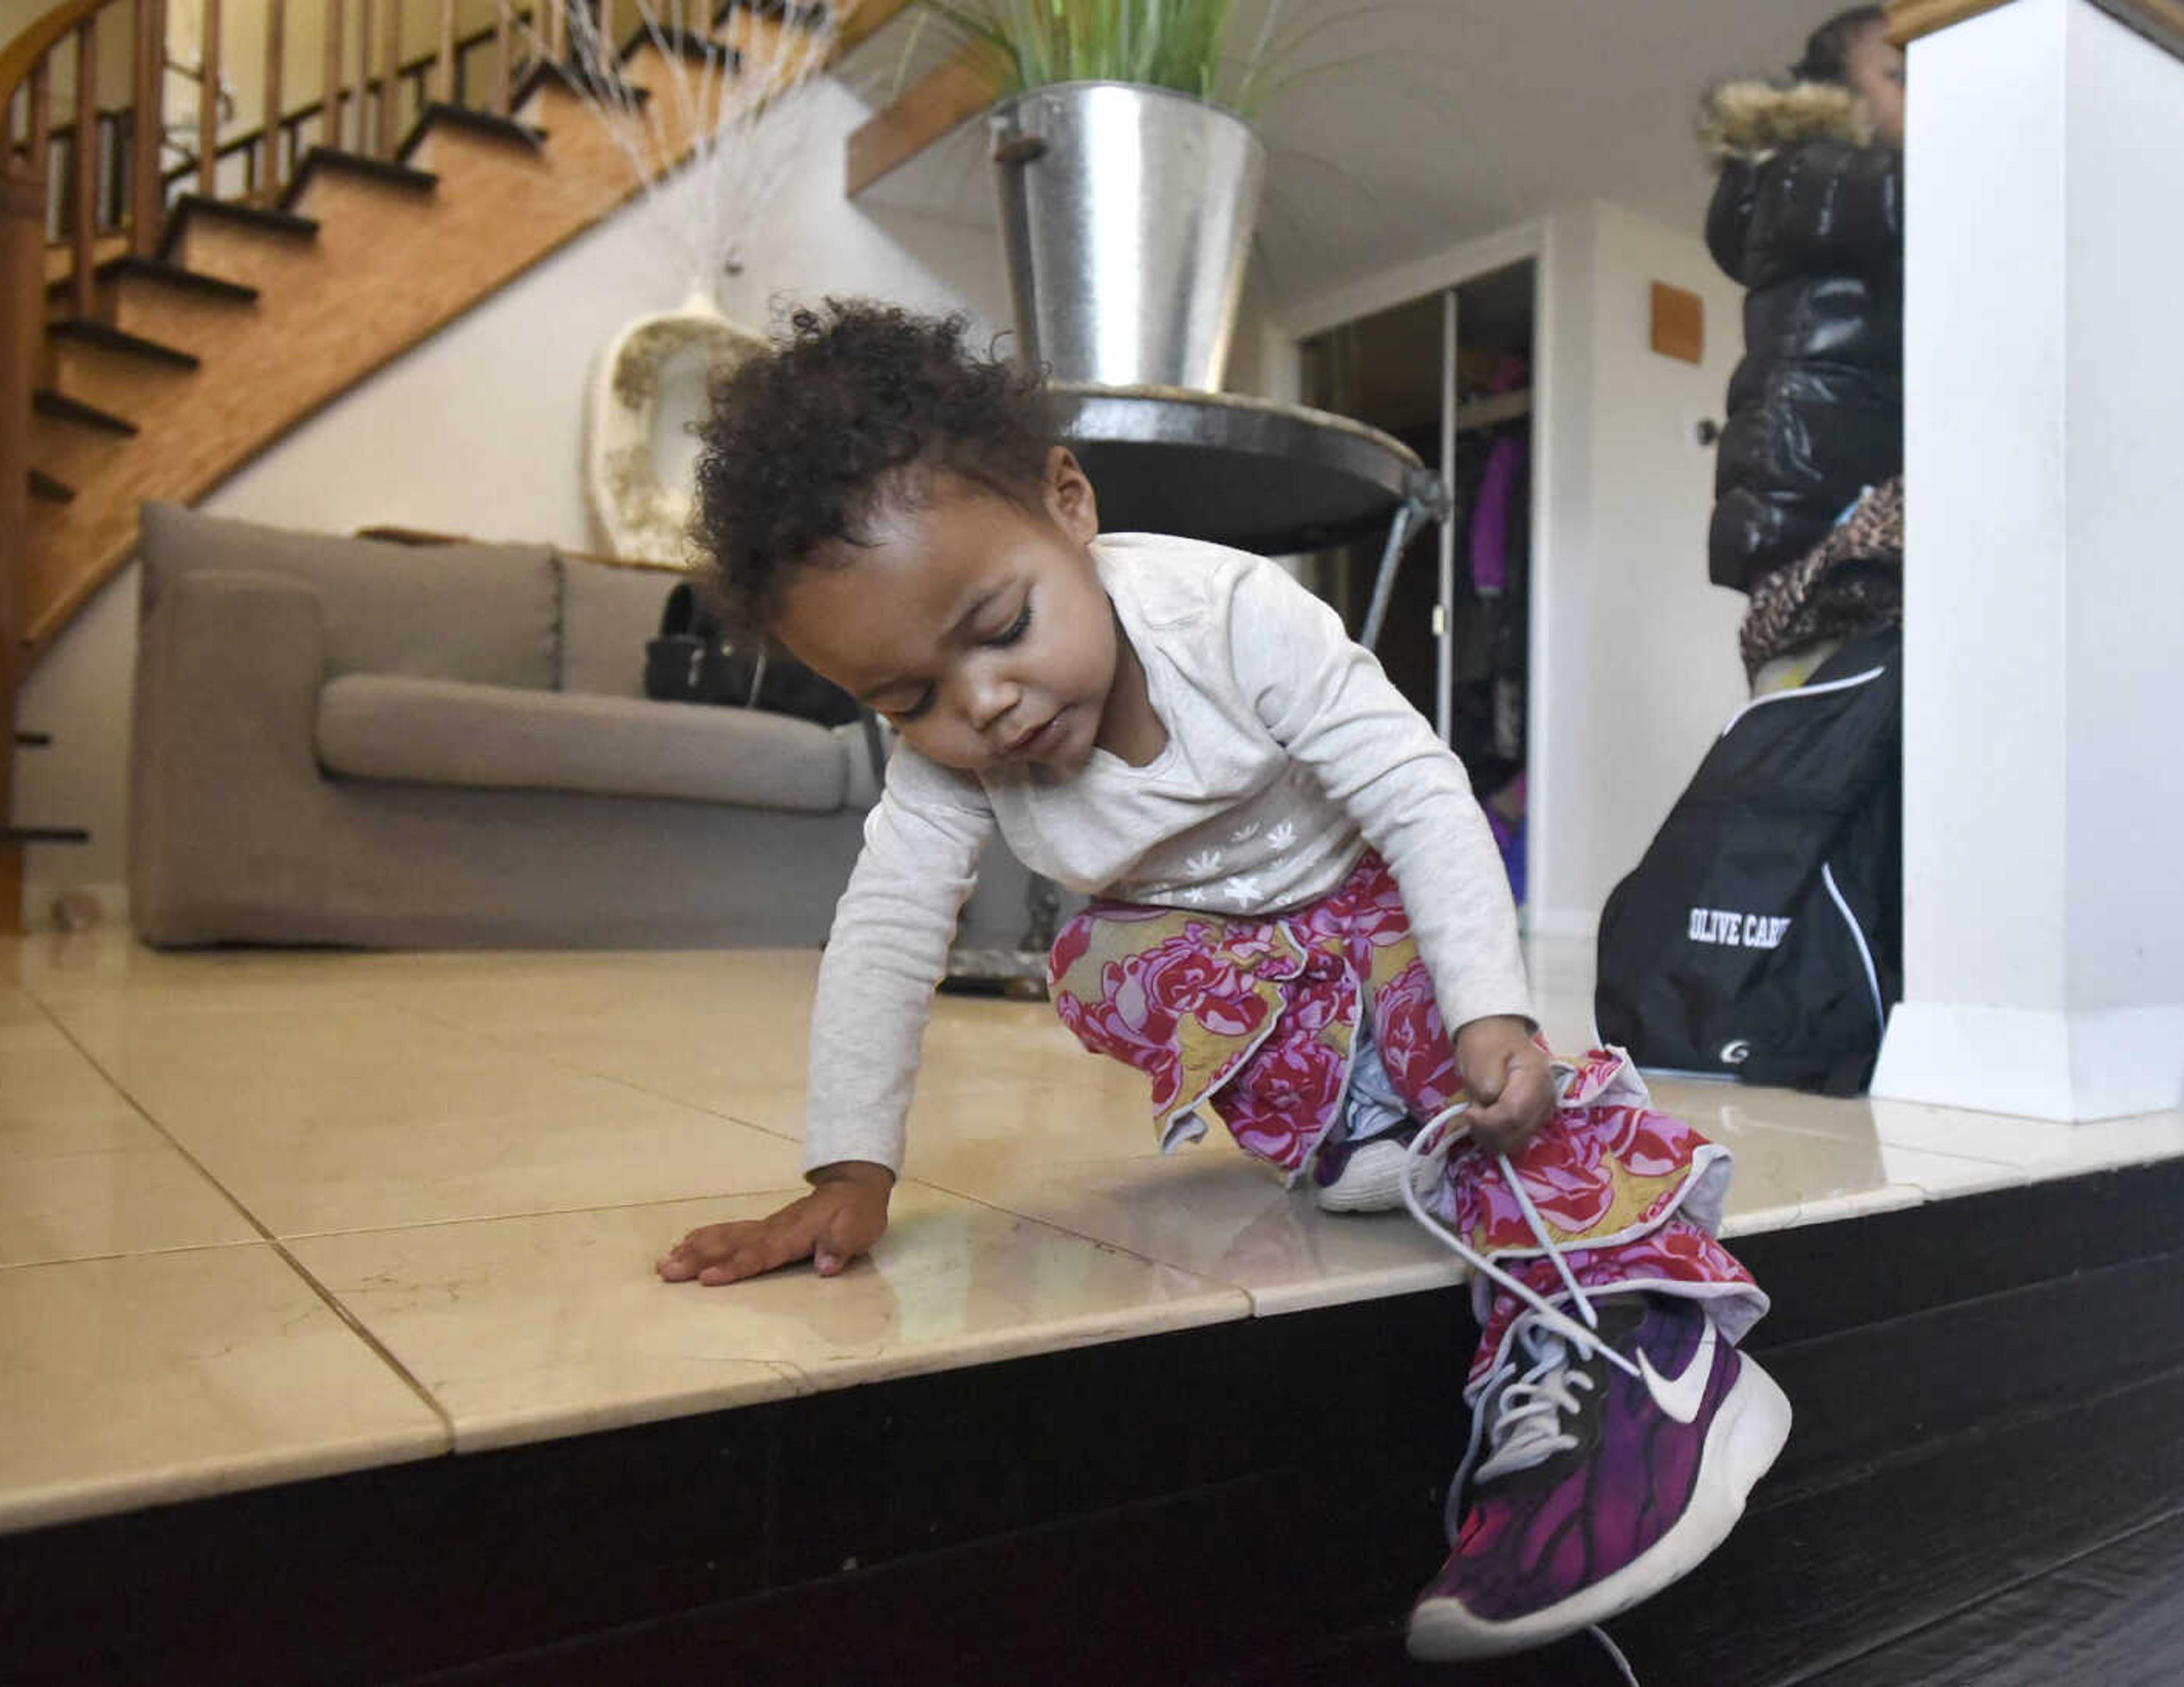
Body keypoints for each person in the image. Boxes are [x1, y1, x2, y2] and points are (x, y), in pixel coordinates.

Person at [655, 300, 1787, 1661]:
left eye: (1003, 624)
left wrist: (1492, 1011)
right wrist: (851, 1169)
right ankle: (1365, 1124)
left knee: (1473, 1064)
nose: (985, 705)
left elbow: (1425, 796)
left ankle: (1647, 1338)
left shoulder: (1229, 615)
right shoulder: (952, 758)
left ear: (1069, 505)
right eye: (909, 696)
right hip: (1257, 965)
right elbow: (890, 924)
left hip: (1377, 911)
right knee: (1101, 966)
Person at [1703, 3, 1906, 677]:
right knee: (1822, 710)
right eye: (1900, 77)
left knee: (1834, 701)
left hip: (1823, 493)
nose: (1929, 96)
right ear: (1837, 95)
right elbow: (1903, 198)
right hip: (1810, 495)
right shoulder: (1804, 170)